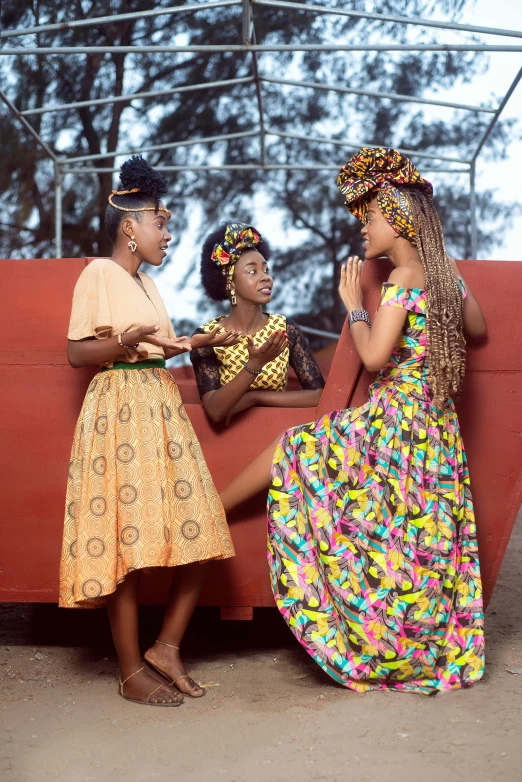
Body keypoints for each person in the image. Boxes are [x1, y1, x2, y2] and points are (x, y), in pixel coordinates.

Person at [219, 147, 487, 694]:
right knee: (419, 542)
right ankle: (420, 646)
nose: (363, 229)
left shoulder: (402, 278)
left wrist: (356, 309)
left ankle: (208, 508)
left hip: (395, 421)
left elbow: (371, 358)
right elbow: (477, 330)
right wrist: (451, 283)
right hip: (436, 429)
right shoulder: (443, 276)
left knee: (296, 448)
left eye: (369, 218)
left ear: (397, 216)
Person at [59, 156, 240, 706]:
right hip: (120, 406)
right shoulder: (99, 273)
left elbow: (154, 345)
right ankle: (130, 671)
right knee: (130, 542)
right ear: (129, 228)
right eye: (160, 223)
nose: (168, 232)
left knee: (201, 530)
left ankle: (166, 647)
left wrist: (191, 344)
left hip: (158, 404)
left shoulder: (149, 285)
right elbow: (74, 353)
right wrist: (123, 342)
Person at [190, 222, 325, 424]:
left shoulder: (285, 329)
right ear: (230, 281)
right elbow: (215, 410)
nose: (266, 278)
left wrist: (255, 397)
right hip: (229, 446)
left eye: (266, 270)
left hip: (277, 435)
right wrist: (255, 364)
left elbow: (319, 394)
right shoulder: (209, 336)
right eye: (252, 272)